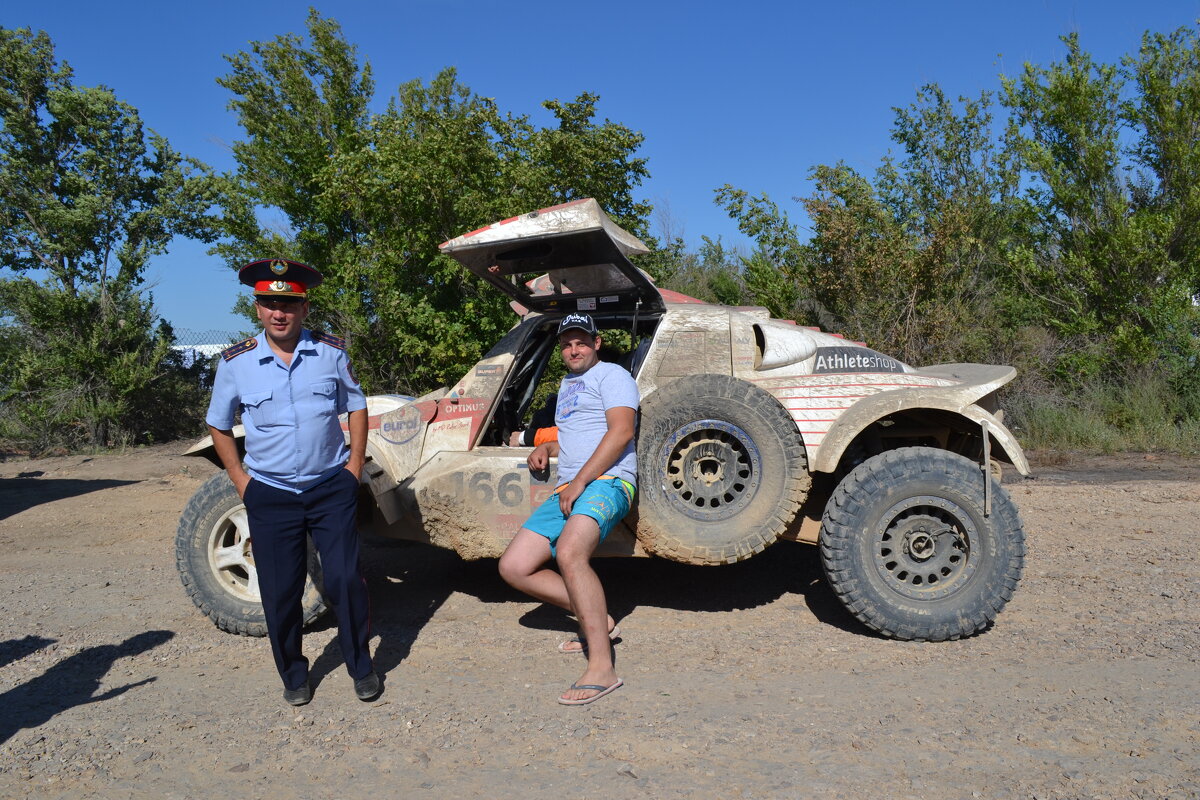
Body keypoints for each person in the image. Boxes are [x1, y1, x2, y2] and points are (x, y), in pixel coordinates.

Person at [205, 258, 380, 706]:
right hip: (271, 493)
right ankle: (294, 675)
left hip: (329, 487)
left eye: (288, 303)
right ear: (257, 308)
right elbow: (218, 425)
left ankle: (361, 666)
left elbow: (356, 406)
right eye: (269, 303)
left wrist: (353, 466)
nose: (279, 312)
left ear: (304, 308)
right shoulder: (236, 363)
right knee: (281, 592)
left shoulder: (330, 352)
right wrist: (241, 481)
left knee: (344, 580)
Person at [498, 312, 638, 705]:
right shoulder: (569, 385)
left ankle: (602, 668)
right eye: (566, 344)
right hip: (571, 487)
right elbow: (577, 438)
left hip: (609, 481)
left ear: (597, 343)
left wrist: (580, 482)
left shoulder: (613, 376)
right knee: (514, 566)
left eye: (581, 341)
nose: (573, 349)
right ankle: (601, 621)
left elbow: (622, 431)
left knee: (571, 553)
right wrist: (547, 446)